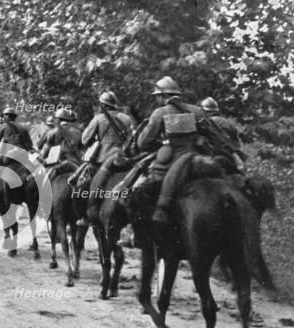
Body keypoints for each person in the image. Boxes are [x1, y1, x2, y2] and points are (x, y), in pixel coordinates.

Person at [137, 76, 208, 227]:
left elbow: (144, 142)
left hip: (171, 159)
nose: (157, 100)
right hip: (198, 156)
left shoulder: (160, 112)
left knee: (142, 188)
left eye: (157, 97)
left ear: (163, 96)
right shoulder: (197, 110)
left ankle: (149, 224)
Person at [71, 92, 133, 226]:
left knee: (80, 186)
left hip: (102, 160)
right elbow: (131, 138)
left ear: (103, 105)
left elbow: (85, 139)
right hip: (124, 161)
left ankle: (85, 217)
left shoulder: (99, 119)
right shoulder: (126, 118)